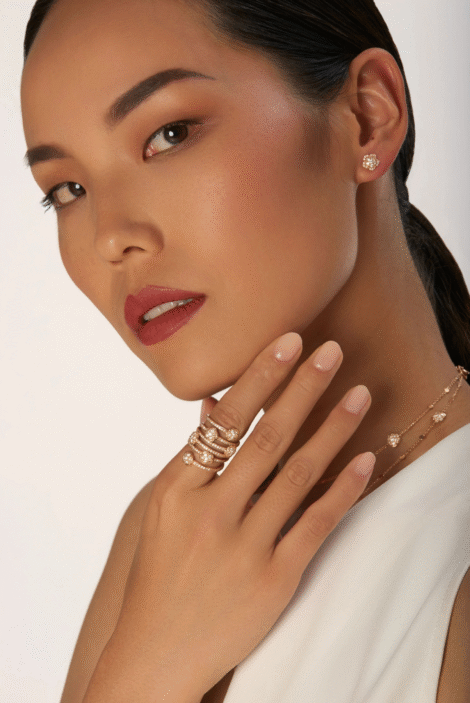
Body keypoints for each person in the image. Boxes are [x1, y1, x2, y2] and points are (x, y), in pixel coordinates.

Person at [20, 0, 470, 701]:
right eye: (68, 189)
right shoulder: (172, 536)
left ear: (367, 117)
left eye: (169, 134)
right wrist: (144, 672)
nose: (109, 237)